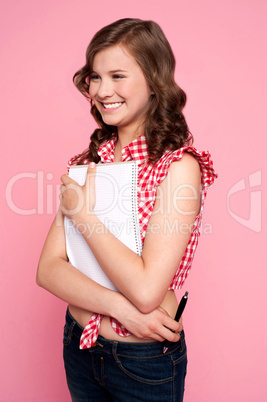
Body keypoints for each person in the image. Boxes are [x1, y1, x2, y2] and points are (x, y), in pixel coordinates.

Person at [37, 18, 217, 402]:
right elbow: (48, 270)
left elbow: (148, 290)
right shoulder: (90, 162)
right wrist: (124, 311)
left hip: (142, 362)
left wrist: (84, 216)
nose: (102, 91)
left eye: (117, 75)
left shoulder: (178, 167)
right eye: (95, 77)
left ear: (154, 80)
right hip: (80, 346)